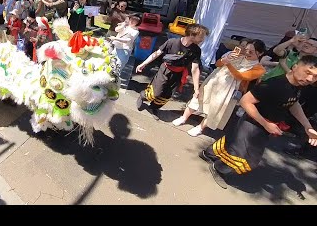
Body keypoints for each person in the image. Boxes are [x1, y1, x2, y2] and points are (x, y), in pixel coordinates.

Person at [200, 55, 317, 189]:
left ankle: (207, 154)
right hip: (252, 124)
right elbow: (245, 101)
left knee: (233, 142)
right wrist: (266, 124)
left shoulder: (298, 86)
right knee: (248, 158)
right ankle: (219, 168)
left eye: (315, 77)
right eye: (308, 72)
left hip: (266, 126)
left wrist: (308, 127)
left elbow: (293, 103)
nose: (310, 79)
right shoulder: (274, 84)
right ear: (295, 66)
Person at [172, 39, 267, 136]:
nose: (247, 53)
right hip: (216, 79)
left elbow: (241, 76)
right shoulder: (237, 55)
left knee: (216, 107)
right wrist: (224, 60)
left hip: (230, 89)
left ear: (260, 53)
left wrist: (228, 63)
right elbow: (217, 64)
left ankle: (200, 128)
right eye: (246, 49)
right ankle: (183, 117)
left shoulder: (259, 69)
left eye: (251, 52)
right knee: (199, 97)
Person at [135, 23, 209, 120]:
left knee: (167, 95)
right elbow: (157, 53)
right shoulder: (172, 42)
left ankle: (153, 108)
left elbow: (195, 69)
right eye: (201, 37)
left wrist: (196, 89)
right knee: (156, 92)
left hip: (178, 74)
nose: (202, 40)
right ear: (191, 35)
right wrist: (143, 64)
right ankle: (143, 95)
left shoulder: (196, 50)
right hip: (165, 70)